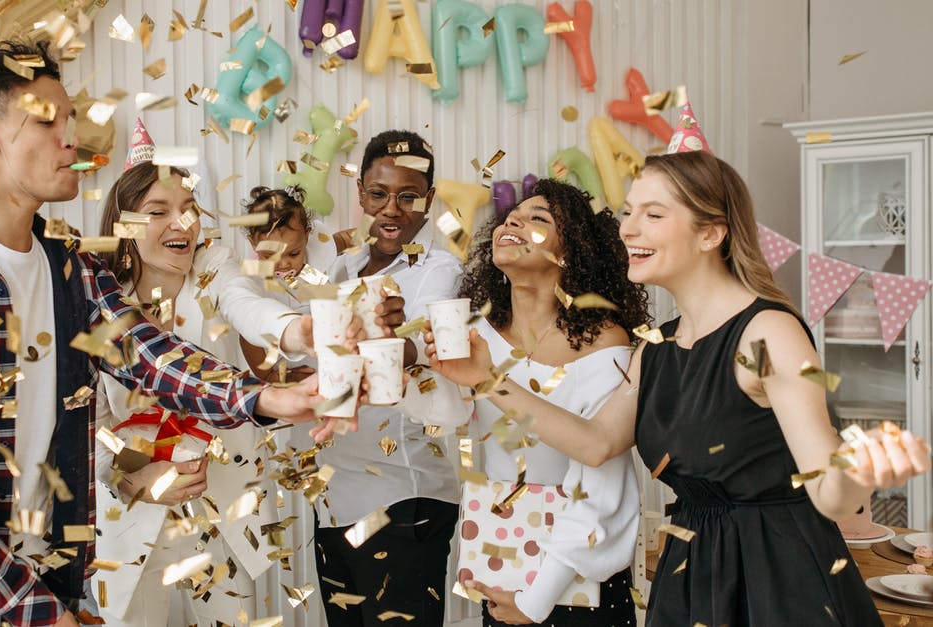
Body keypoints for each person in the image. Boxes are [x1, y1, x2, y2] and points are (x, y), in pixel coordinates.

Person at [0, 28, 335, 627]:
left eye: (71, 120)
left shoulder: (72, 267)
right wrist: (37, 610)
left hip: (50, 577)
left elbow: (150, 356)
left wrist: (270, 397)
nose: (73, 139)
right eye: (49, 123)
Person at [428, 151, 932, 626]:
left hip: (777, 577)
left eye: (653, 214)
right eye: (628, 212)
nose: (628, 228)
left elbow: (830, 493)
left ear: (710, 234)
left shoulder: (767, 332)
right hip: (691, 573)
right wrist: (486, 380)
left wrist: (861, 470)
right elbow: (595, 443)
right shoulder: (656, 347)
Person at [89, 158, 296, 627]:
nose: (181, 222)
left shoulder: (217, 271)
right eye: (158, 210)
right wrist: (132, 476)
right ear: (125, 225)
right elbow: (95, 424)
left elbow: (247, 305)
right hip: (132, 520)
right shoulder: (102, 306)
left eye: (188, 207)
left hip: (221, 514)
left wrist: (291, 331)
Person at [457, 179, 648, 626]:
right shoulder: (474, 332)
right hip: (501, 562)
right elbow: (445, 418)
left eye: (538, 219)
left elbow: (601, 490)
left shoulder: (607, 343)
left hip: (577, 578)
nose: (514, 222)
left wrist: (538, 596)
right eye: (512, 217)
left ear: (571, 251)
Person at [312, 130, 465, 626]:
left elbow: (426, 350)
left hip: (405, 499)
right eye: (379, 194)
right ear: (360, 195)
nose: (392, 209)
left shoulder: (440, 268)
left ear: (429, 200)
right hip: (334, 500)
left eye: (408, 196)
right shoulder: (340, 267)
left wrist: (384, 335)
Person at [239, 186, 334, 383]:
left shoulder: (312, 268)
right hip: (283, 369)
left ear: (306, 237)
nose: (283, 264)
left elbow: (340, 242)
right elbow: (248, 337)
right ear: (253, 244)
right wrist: (267, 375)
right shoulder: (256, 282)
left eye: (293, 253)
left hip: (324, 363)